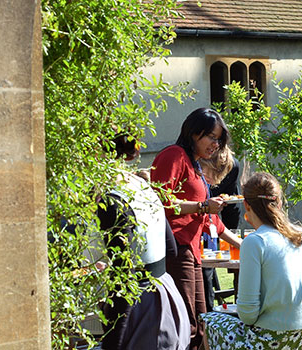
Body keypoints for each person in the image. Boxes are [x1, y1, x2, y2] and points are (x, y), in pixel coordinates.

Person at [150, 108, 243, 350]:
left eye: (219, 140)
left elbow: (211, 222)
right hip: (176, 248)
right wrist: (202, 205)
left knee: (202, 321)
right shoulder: (174, 155)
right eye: (212, 137)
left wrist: (243, 245)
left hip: (192, 252)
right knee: (187, 323)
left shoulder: (196, 165)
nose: (216, 145)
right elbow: (161, 202)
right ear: (194, 133)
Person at [201, 172, 302, 349]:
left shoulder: (255, 242)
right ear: (279, 202)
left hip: (268, 339)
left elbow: (248, 315)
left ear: (246, 205)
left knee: (208, 320)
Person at [98, 134, 190, 350]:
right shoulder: (141, 184)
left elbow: (124, 278)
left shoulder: (112, 200)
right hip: (167, 295)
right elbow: (171, 249)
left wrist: (112, 342)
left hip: (141, 310)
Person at [199, 145, 241, 311]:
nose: (216, 181)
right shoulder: (192, 169)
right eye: (213, 174)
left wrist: (233, 241)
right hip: (192, 230)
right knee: (204, 273)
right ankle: (206, 314)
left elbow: (232, 208)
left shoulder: (233, 166)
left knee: (209, 266)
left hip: (214, 225)